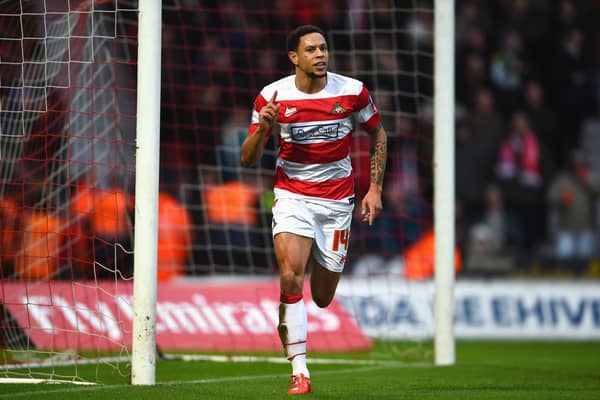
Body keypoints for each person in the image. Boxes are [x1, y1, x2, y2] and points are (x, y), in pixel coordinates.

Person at [240, 25, 388, 395]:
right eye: (311, 50)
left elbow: (378, 133)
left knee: (322, 296)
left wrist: (375, 188)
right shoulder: (271, 96)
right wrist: (263, 130)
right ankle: (299, 371)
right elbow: (247, 159)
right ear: (294, 57)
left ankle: (302, 349)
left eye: (324, 48)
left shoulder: (352, 92)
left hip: (337, 203)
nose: (321, 55)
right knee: (290, 277)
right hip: (292, 197)